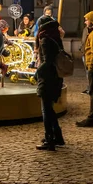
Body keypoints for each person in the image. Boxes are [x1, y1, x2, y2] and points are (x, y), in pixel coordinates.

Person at [34, 17, 64, 150]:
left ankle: (49, 139)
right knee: (49, 109)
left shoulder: (45, 39)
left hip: (47, 78)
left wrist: (36, 73)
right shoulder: (55, 36)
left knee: (46, 110)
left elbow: (47, 61)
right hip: (56, 77)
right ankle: (57, 136)